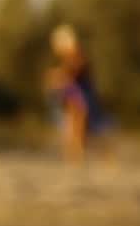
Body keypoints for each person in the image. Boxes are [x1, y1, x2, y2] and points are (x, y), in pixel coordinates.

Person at [44, 24, 111, 161]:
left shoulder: (76, 56)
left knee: (78, 121)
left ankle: (76, 154)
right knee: (75, 124)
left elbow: (73, 74)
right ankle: (75, 153)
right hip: (74, 97)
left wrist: (59, 77)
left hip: (80, 98)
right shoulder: (69, 57)